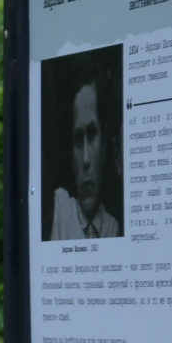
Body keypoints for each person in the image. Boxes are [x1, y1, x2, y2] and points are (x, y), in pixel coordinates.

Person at [52, 71, 122, 239]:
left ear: (104, 147)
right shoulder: (59, 212)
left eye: (91, 137)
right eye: (77, 141)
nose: (85, 160)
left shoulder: (114, 229)